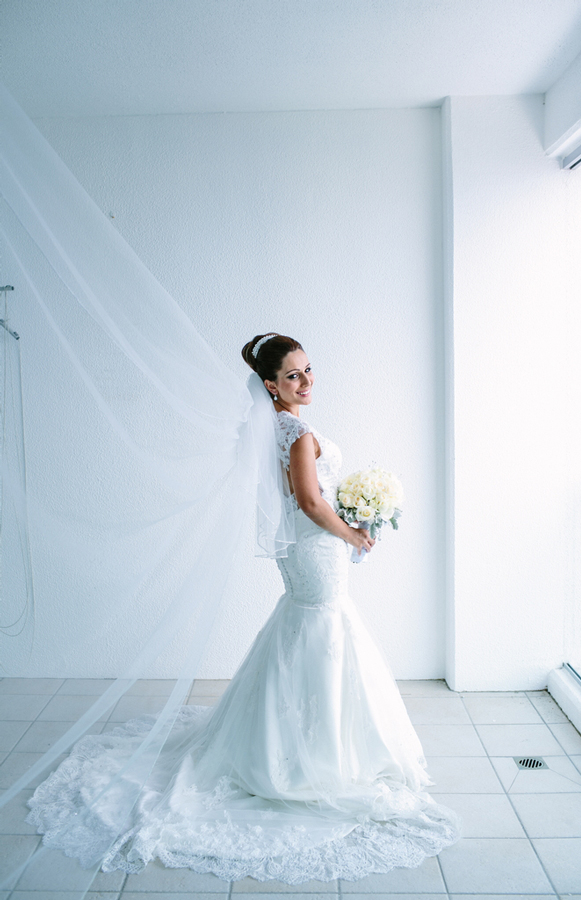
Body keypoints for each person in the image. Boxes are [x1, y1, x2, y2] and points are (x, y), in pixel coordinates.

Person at [25, 332, 460, 884]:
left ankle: (294, 739)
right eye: (293, 376)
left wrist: (350, 514)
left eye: (308, 370)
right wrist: (352, 533)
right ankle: (312, 757)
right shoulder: (296, 432)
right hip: (317, 545)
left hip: (306, 548)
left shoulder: (272, 429)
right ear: (271, 386)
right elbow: (307, 500)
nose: (306, 382)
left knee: (309, 627)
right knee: (323, 626)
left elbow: (299, 497)